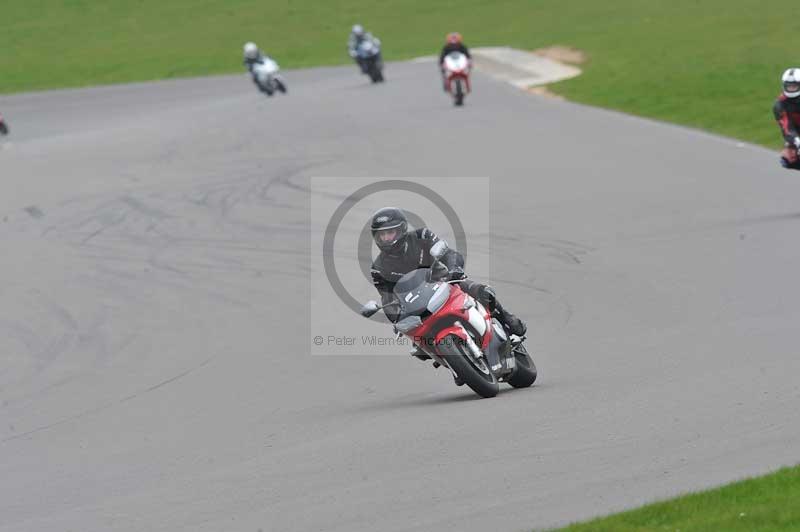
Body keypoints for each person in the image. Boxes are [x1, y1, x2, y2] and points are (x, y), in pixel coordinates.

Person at [369, 207, 526, 345]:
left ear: (402, 229)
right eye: (381, 235)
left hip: (446, 283)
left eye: (390, 233)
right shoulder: (378, 268)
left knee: (483, 292)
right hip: (417, 306)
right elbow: (388, 299)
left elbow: (449, 254)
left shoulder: (422, 236)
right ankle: (454, 364)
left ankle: (507, 319)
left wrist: (454, 269)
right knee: (418, 346)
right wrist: (396, 318)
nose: (386, 238)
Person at [773, 68, 800, 169]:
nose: (791, 88)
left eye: (794, 86)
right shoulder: (779, 104)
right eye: (789, 86)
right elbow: (787, 127)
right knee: (787, 159)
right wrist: (797, 141)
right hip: (796, 131)